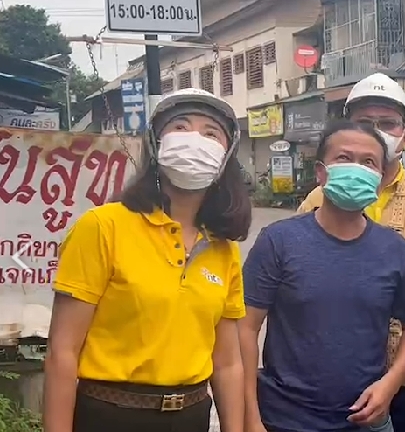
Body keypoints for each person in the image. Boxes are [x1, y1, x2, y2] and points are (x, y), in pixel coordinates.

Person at [43, 88, 253, 432]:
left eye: (211, 133)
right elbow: (62, 352)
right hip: (109, 415)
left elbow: (227, 362)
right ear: (156, 144)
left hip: (191, 416)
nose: (195, 140)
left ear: (226, 155)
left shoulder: (222, 248)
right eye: (180, 127)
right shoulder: (103, 226)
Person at [239, 120, 405, 432]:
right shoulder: (278, 241)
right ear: (321, 172)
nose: (356, 168)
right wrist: (250, 417)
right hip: (284, 420)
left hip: (365, 421)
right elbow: (245, 329)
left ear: (380, 177)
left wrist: (390, 384)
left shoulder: (394, 249)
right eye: (344, 158)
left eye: (368, 161)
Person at [297, 72, 405, 432]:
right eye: (364, 123)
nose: (376, 131)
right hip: (331, 378)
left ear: (404, 135)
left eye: (386, 124)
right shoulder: (314, 203)